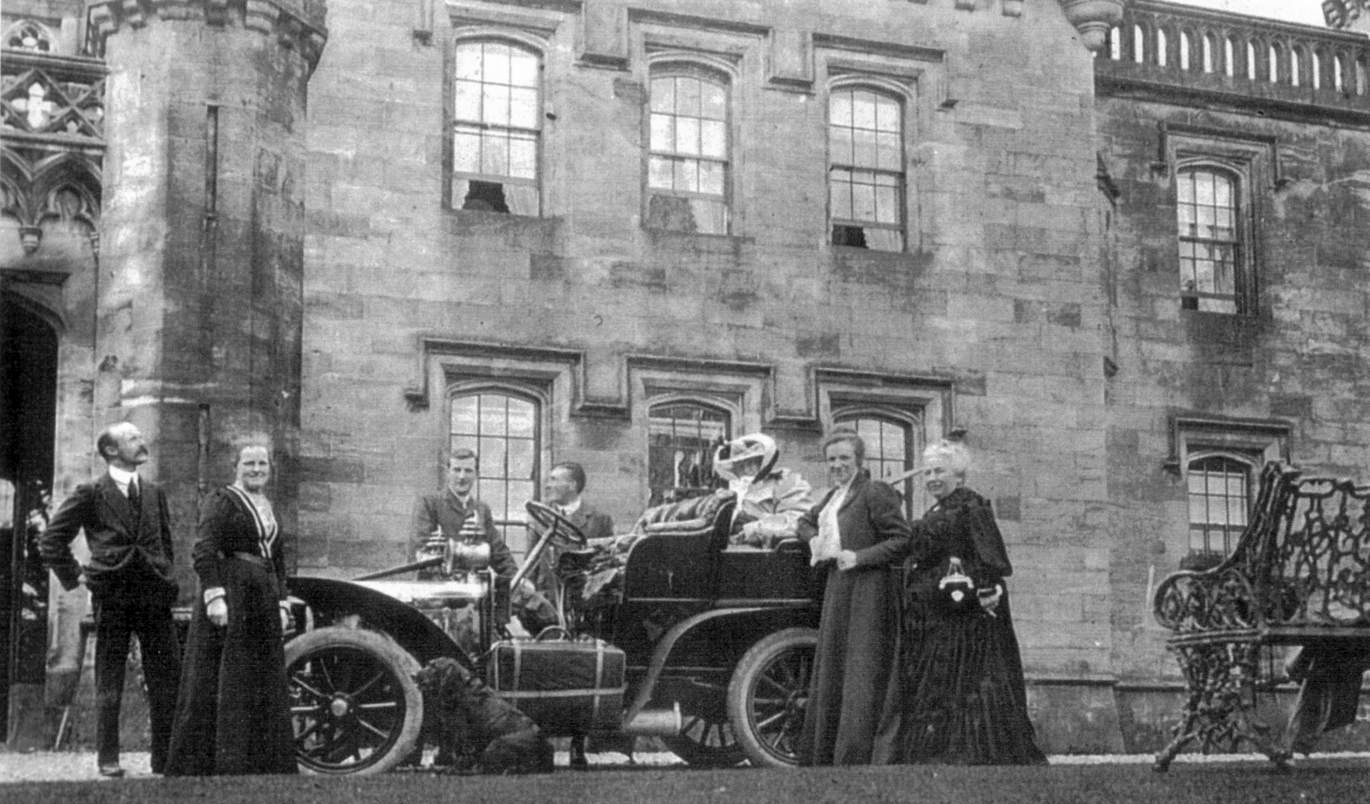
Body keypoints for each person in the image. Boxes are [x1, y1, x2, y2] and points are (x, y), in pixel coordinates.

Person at [838, 436, 1046, 765]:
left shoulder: (971, 506)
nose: (933, 477)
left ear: (958, 475)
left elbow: (990, 558)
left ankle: (970, 754)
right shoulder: (937, 508)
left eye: (941, 471)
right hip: (936, 616)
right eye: (929, 471)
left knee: (966, 682)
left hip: (964, 617)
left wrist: (984, 587)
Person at [39, 422, 181, 777]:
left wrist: (164, 572)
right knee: (109, 678)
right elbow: (51, 541)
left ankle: (163, 758)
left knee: (166, 676)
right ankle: (108, 757)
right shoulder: (90, 492)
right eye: (132, 438)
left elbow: (165, 542)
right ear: (112, 451)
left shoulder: (153, 492)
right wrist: (80, 576)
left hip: (153, 595)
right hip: (113, 596)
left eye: (140, 435)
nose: (142, 441)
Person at [163, 435, 298, 775]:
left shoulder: (269, 505)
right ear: (236, 467)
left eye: (262, 463)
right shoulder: (222, 500)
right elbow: (204, 550)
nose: (256, 469)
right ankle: (223, 762)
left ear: (270, 468)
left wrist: (282, 603)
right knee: (228, 677)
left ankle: (262, 763)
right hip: (234, 597)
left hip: (264, 600)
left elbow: (278, 561)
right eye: (249, 463)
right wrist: (214, 596)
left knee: (261, 677)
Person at [795, 428, 910, 766]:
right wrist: (814, 538)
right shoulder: (834, 495)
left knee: (861, 672)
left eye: (844, 458)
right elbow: (803, 521)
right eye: (832, 459)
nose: (837, 464)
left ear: (859, 461)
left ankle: (857, 754)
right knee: (837, 668)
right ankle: (831, 753)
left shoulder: (875, 492)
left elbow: (902, 539)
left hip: (870, 592)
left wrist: (861, 556)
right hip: (840, 588)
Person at [411, 449, 557, 643]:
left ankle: (548, 648)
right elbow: (422, 547)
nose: (462, 477)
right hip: (440, 588)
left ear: (476, 474)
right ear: (448, 472)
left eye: (468, 471)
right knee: (471, 630)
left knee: (539, 606)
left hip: (478, 587)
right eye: (457, 470)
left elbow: (498, 552)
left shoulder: (481, 509)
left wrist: (518, 579)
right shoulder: (430, 503)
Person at [540, 460, 614, 769]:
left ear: (572, 485)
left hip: (585, 609)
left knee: (580, 674)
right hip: (546, 607)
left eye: (555, 479)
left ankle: (577, 745)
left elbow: (607, 563)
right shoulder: (543, 518)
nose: (548, 484)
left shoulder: (598, 519)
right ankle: (540, 742)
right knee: (544, 671)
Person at [713, 433, 813, 548]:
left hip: (767, 553)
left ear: (763, 461)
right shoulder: (737, 488)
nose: (746, 470)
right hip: (734, 547)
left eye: (751, 463)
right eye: (740, 467)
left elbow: (800, 521)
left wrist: (755, 528)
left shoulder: (787, 481)